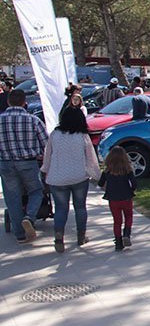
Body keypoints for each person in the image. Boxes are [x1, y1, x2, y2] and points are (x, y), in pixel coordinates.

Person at [40, 107, 101, 253]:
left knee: (61, 208)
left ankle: (59, 235)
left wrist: (44, 171)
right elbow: (91, 159)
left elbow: (47, 155)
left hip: (58, 178)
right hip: (79, 176)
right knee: (80, 207)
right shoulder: (82, 136)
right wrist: (98, 176)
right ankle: (81, 236)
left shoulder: (55, 135)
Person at [0, 89, 48, 244]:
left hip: (6, 163)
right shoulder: (33, 120)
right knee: (36, 191)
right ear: (24, 102)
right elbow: (46, 144)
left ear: (8, 102)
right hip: (28, 162)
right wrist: (41, 154)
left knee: (12, 197)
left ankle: (20, 234)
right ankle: (29, 217)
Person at [99, 146, 138, 251]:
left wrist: (106, 187)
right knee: (128, 216)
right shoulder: (127, 171)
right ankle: (126, 234)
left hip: (113, 199)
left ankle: (118, 242)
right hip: (126, 198)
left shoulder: (107, 172)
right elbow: (134, 184)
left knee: (117, 221)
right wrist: (132, 190)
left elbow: (100, 183)